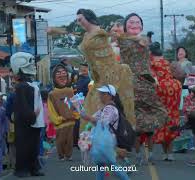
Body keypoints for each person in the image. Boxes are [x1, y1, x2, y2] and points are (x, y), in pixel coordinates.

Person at [118, 13, 169, 164]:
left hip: (146, 84)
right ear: (126, 25)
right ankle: (137, 153)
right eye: (131, 22)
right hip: (130, 84)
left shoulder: (145, 40)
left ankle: (150, 153)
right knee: (134, 123)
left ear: (141, 25)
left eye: (137, 22)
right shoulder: (122, 40)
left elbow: (147, 53)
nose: (134, 24)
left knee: (158, 116)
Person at [76, 9, 135, 131]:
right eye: (77, 20)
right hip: (98, 79)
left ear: (88, 17)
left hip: (109, 77)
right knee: (92, 111)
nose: (79, 23)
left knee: (103, 111)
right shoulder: (87, 35)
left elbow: (107, 61)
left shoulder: (100, 34)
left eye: (80, 19)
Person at [79, 84, 129, 180]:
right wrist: (87, 116)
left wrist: (87, 117)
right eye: (100, 93)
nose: (100, 95)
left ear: (110, 95)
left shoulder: (109, 108)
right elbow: (95, 119)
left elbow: (103, 123)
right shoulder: (105, 108)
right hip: (103, 139)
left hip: (106, 140)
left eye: (103, 94)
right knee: (100, 164)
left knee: (110, 164)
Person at [10, 52, 45, 177]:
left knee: (33, 147)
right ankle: (22, 169)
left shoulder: (29, 85)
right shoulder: (22, 87)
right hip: (27, 122)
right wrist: (32, 115)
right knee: (24, 146)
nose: (33, 66)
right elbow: (23, 106)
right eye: (30, 63)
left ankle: (33, 168)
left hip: (33, 122)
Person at [149, 42, 182, 161]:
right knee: (171, 118)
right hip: (174, 87)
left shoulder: (151, 62)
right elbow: (179, 73)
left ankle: (160, 153)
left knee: (160, 120)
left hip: (160, 88)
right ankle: (170, 153)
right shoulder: (168, 61)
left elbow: (151, 78)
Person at [48, 64, 79, 161]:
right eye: (58, 74)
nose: (62, 76)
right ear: (54, 78)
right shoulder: (52, 94)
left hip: (71, 121)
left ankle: (68, 155)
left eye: (64, 73)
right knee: (60, 140)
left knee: (70, 140)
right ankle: (61, 155)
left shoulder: (70, 90)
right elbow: (51, 109)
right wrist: (58, 119)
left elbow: (75, 104)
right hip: (60, 123)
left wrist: (76, 115)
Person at [72, 63, 91, 146]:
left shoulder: (88, 80)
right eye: (82, 69)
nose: (83, 71)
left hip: (84, 103)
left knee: (80, 122)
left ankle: (79, 141)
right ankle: (77, 141)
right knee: (78, 122)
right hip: (78, 103)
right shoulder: (79, 78)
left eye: (85, 69)